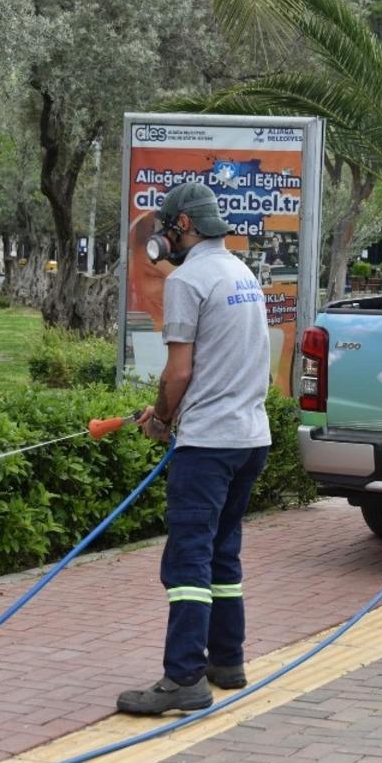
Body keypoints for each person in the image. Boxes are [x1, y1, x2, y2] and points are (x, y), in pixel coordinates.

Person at [116, 182, 271, 715]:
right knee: (222, 552)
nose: (161, 237)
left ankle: (184, 677)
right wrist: (173, 410)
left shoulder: (188, 280)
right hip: (250, 438)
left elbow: (180, 370)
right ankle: (227, 661)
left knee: (187, 560)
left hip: (208, 445)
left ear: (184, 226)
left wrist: (161, 419)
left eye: (166, 227)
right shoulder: (241, 274)